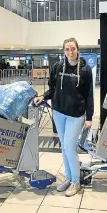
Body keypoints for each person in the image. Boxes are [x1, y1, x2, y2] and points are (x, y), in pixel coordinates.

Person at [34, 38, 94, 197]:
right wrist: (44, 97)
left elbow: (89, 95)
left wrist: (89, 117)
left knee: (69, 147)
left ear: (77, 49)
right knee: (64, 147)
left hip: (76, 115)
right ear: (64, 51)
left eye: (73, 49)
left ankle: (76, 182)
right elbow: (53, 88)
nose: (70, 52)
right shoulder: (57, 67)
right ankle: (68, 178)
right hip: (59, 112)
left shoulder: (86, 70)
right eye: (67, 49)